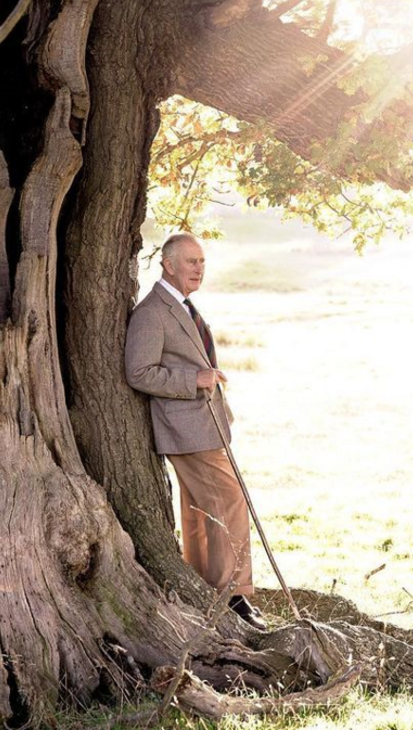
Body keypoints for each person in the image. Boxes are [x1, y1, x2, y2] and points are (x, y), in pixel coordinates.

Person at [125, 232, 266, 630]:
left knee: (201, 509)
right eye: (191, 262)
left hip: (205, 426)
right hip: (186, 429)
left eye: (202, 262)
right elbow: (138, 372)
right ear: (168, 264)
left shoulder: (183, 307)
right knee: (230, 501)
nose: (199, 269)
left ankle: (206, 586)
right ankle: (233, 596)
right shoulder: (153, 312)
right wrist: (195, 378)